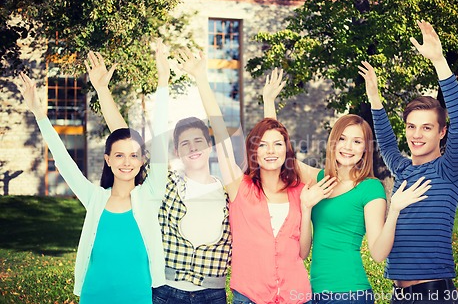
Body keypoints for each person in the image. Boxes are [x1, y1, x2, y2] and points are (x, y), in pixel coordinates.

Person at [175, 49, 337, 304]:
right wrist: (201, 78)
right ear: (253, 151)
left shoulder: (300, 191)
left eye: (278, 145)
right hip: (249, 296)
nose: (270, 151)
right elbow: (220, 132)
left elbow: (303, 253)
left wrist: (306, 209)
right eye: (262, 145)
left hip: (297, 296)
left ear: (287, 149)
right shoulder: (240, 187)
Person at [16, 43, 169, 304]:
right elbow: (64, 163)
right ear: (108, 160)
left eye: (134, 155)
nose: (126, 162)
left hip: (137, 295)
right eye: (119, 155)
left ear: (143, 160)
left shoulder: (150, 195)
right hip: (94, 294)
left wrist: (163, 82)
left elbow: (163, 139)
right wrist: (40, 114)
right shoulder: (95, 198)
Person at [263, 71, 432, 304]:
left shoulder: (370, 188)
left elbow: (378, 253)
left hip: (351, 294)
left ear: (365, 149)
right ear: (333, 142)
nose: (348, 147)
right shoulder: (320, 179)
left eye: (357, 141)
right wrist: (269, 103)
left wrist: (394, 211)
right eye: (342, 139)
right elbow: (281, 155)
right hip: (314, 293)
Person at [88, 42, 230, 304]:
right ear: (176, 150)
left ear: (209, 146)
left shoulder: (229, 190)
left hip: (213, 294)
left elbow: (223, 130)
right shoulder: (165, 184)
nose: (192, 147)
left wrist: (201, 78)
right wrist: (102, 90)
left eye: (198, 140)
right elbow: (126, 140)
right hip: (167, 292)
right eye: (184, 143)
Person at [359, 20, 458, 303]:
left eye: (427, 127)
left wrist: (439, 61)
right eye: (411, 126)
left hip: (434, 294)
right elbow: (384, 141)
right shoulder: (404, 169)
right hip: (400, 294)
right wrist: (374, 97)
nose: (416, 135)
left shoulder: (450, 169)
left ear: (442, 131)